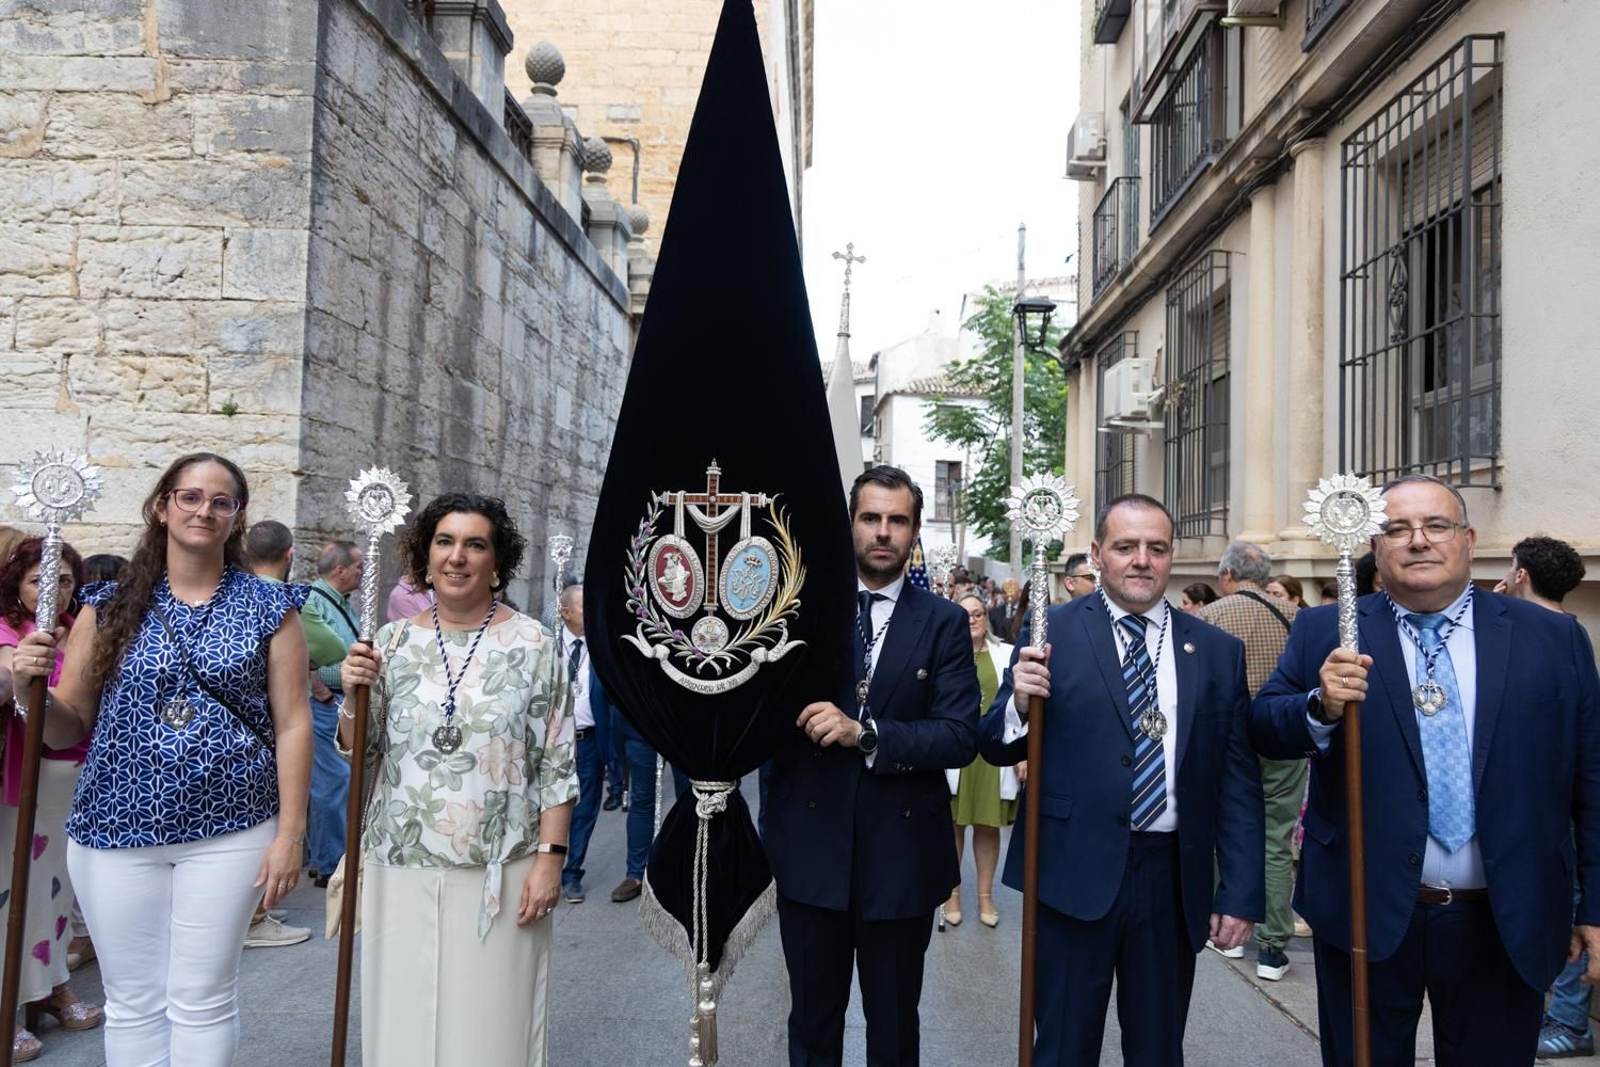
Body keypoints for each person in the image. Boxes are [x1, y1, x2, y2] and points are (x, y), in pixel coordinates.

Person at [1251, 475, 1600, 1066]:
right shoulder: (1327, 630)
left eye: (1436, 526)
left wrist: (1594, 907)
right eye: (1396, 529)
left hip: (1503, 914)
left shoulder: (1552, 637)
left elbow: (1590, 778)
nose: (1418, 541)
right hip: (1367, 908)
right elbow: (1264, 726)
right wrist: (1320, 704)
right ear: (1375, 547)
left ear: (1467, 539)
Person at [11, 452, 313, 1065]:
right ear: (161, 506)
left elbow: (293, 722)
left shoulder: (269, 606)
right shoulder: (109, 603)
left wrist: (291, 831)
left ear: (237, 517)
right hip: (113, 824)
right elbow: (67, 721)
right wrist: (27, 690)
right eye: (190, 496)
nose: (205, 509)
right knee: (132, 999)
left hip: (231, 824)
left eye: (221, 501)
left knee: (202, 996)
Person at [979, 493, 1262, 1065]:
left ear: (1171, 557)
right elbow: (994, 743)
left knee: (1158, 1050)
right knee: (1062, 1047)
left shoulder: (1214, 650)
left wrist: (1239, 890)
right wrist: (1020, 704)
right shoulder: (1048, 632)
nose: (1141, 560)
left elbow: (1236, 782)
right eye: (1125, 546)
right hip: (1070, 873)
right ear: (1097, 554)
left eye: (1156, 548)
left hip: (1169, 878)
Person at [338, 492, 576, 1067]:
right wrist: (352, 697)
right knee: (403, 1020)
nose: (457, 557)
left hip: (501, 861)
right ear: (425, 554)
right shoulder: (390, 644)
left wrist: (550, 858)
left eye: (475, 544)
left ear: (497, 562)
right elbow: (360, 751)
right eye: (445, 542)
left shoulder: (534, 643)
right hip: (400, 858)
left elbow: (556, 758)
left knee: (490, 1024)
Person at [765, 465, 980, 1067]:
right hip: (809, 853)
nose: (883, 532)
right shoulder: (796, 609)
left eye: (897, 520)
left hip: (902, 859)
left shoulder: (943, 623)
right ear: (850, 524)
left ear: (914, 532)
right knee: (811, 1026)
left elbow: (959, 735)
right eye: (870, 518)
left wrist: (868, 734)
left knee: (892, 1030)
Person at [0, 539, 103, 1062]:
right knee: (13, 894)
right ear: (17, 582)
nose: (54, 590)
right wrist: (20, 667)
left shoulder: (81, 627)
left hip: (75, 778)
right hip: (24, 782)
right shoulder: (7, 630)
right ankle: (6, 1007)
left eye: (64, 580)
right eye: (41, 580)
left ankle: (51, 984)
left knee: (58, 893)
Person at [1492, 537, 1593, 1058]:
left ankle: (1571, 1020)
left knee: (1570, 903)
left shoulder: (1560, 637)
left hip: (1550, 801)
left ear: (1522, 574)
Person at [1197, 542, 1301, 981]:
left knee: (1225, 828)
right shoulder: (1297, 618)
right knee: (1277, 840)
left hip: (1227, 740)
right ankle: (1273, 946)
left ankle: (1226, 924)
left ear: (1226, 576)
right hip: (1283, 738)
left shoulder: (1207, 620)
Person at [239, 520, 314, 950]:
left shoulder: (244, 598)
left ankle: (256, 907)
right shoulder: (275, 602)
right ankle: (254, 915)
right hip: (267, 730)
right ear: (289, 555)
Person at [942, 592, 1019, 931]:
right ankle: (952, 893)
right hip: (955, 751)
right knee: (954, 824)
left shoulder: (1005, 654)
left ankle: (985, 896)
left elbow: (1019, 706)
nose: (972, 620)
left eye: (978, 614)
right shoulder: (944, 653)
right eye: (965, 615)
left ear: (986, 619)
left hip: (993, 753)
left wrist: (1022, 754)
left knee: (988, 826)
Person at [552, 582, 620, 904]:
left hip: (589, 742)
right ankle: (546, 865)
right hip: (553, 742)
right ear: (565, 613)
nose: (591, 612)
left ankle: (572, 873)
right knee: (548, 806)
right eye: (583, 607)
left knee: (584, 810)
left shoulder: (600, 645)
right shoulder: (549, 646)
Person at [301, 540, 363, 888]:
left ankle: (329, 855)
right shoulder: (313, 602)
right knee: (333, 782)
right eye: (357, 567)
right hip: (328, 702)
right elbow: (311, 654)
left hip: (343, 698)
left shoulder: (340, 603)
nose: (361, 573)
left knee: (340, 780)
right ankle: (330, 864)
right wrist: (320, 681)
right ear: (340, 570)